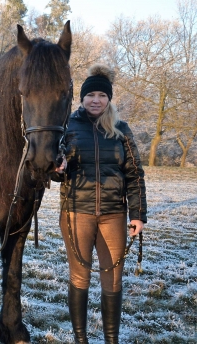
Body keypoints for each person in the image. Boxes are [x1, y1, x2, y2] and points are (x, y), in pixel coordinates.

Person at [53, 64, 147, 344]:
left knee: (113, 280)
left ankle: (111, 340)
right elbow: (52, 169)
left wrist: (138, 214)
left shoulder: (120, 130)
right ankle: (80, 340)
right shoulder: (67, 126)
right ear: (82, 98)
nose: (96, 100)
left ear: (109, 99)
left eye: (101, 95)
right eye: (90, 94)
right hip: (76, 214)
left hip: (113, 215)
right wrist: (57, 169)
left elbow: (135, 174)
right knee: (80, 278)